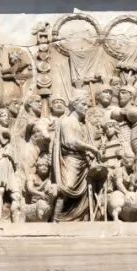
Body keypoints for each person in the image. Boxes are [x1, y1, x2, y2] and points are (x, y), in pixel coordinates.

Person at [51, 92, 100, 221]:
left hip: (84, 161)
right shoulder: (67, 121)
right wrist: (91, 148)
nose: (86, 108)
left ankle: (83, 217)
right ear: (75, 105)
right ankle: (55, 218)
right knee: (67, 187)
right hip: (71, 159)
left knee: (90, 189)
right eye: (83, 104)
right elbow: (70, 141)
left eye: (87, 105)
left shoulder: (83, 124)